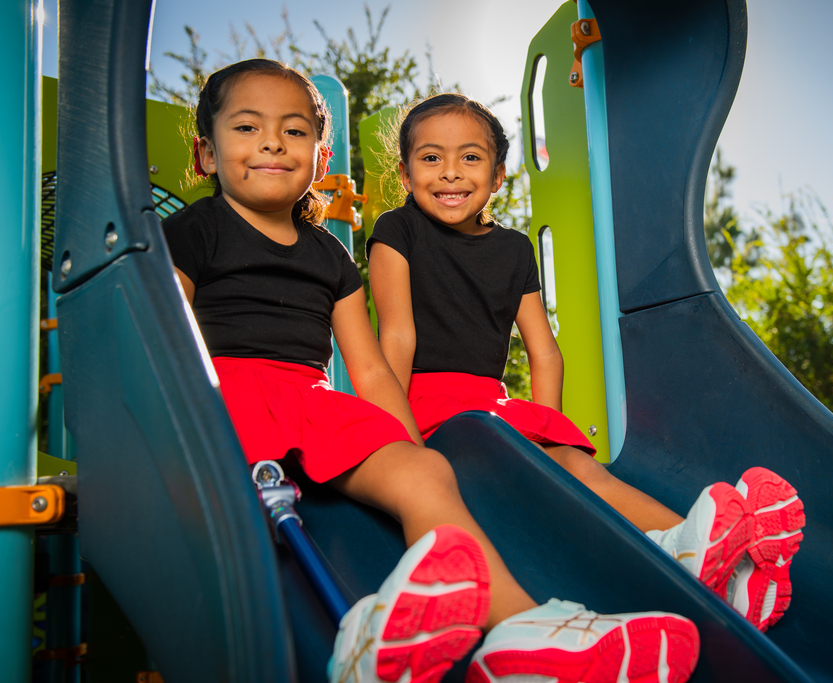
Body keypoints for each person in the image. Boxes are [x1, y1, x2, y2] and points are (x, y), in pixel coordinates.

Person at [162, 59, 701, 683]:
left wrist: (410, 449)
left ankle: (518, 634)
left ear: (320, 154)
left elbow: (366, 366)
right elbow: (168, 328)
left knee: (423, 471)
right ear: (205, 153)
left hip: (311, 403)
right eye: (248, 127)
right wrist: (184, 420)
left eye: (294, 130)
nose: (272, 143)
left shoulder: (331, 256)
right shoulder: (192, 231)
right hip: (219, 390)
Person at [367, 93, 806, 633]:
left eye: (471, 157)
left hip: (490, 408)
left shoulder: (512, 249)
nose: (450, 172)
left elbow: (544, 351)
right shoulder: (397, 230)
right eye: (431, 158)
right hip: (426, 407)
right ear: (407, 174)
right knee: (569, 465)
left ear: (499, 174)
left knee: (579, 468)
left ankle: (714, 557)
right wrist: (400, 437)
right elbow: (397, 338)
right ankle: (708, 553)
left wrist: (543, 433)